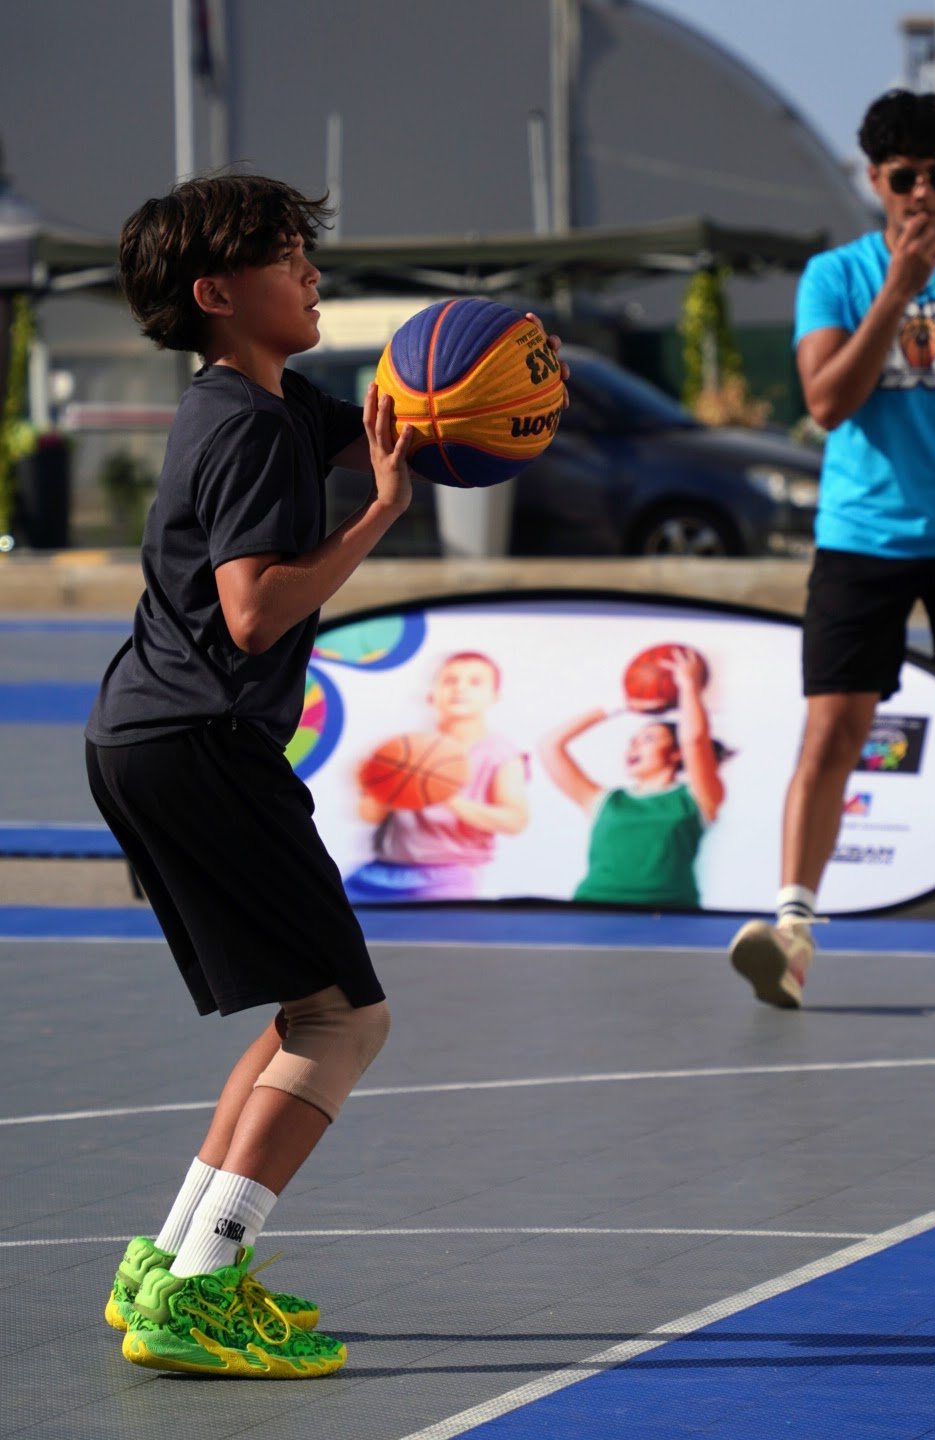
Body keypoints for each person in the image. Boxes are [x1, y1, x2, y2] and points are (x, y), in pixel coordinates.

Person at [84, 173, 567, 1377]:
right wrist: (377, 518)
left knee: (306, 1013)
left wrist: (502, 385)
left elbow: (401, 421)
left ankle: (172, 1261)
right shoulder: (250, 428)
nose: (312, 272)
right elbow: (253, 613)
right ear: (217, 294)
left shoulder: (264, 403)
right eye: (287, 256)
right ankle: (202, 1290)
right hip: (200, 740)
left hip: (153, 738)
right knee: (349, 1020)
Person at [728, 90, 935, 1010]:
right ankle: (792, 933)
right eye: (907, 176)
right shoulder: (835, 277)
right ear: (876, 181)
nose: (925, 192)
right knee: (832, 732)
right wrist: (897, 291)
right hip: (863, 535)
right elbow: (827, 403)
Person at [539, 648, 730, 909]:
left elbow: (694, 740)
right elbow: (549, 746)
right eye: (632, 742)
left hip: (671, 914)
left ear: (676, 753)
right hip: (592, 909)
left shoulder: (697, 798)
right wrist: (619, 705)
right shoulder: (604, 801)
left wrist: (688, 687)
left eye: (648, 739)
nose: (634, 747)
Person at [344, 649, 529, 902]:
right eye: (450, 680)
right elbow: (369, 815)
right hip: (385, 868)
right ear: (432, 695)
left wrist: (444, 793)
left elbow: (515, 821)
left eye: (475, 682)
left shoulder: (502, 754)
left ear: (495, 697)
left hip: (450, 874)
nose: (460, 688)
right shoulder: (405, 750)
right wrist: (371, 788)